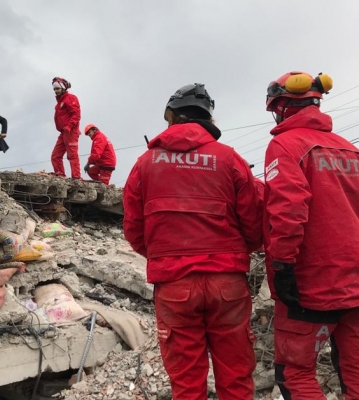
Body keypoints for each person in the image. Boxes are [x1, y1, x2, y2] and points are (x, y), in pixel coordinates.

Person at [123, 83, 262, 399]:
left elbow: (134, 228)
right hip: (227, 285)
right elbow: (254, 224)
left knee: (186, 384)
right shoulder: (230, 159)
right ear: (207, 118)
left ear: (171, 116)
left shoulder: (146, 164)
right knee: (237, 378)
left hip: (174, 287)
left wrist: (163, 255)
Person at [262, 71, 359, 399]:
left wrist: (283, 266)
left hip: (312, 284)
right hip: (356, 283)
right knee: (356, 374)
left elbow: (288, 207)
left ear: (284, 107)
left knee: (295, 372)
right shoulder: (349, 149)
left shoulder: (284, 145)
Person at [51, 77, 81, 179]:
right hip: (63, 132)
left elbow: (76, 115)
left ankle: (76, 177)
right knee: (55, 156)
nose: (56, 91)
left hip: (71, 131)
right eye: (54, 89)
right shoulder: (60, 102)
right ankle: (60, 175)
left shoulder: (70, 98)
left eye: (57, 89)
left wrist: (69, 126)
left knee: (72, 155)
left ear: (63, 88)